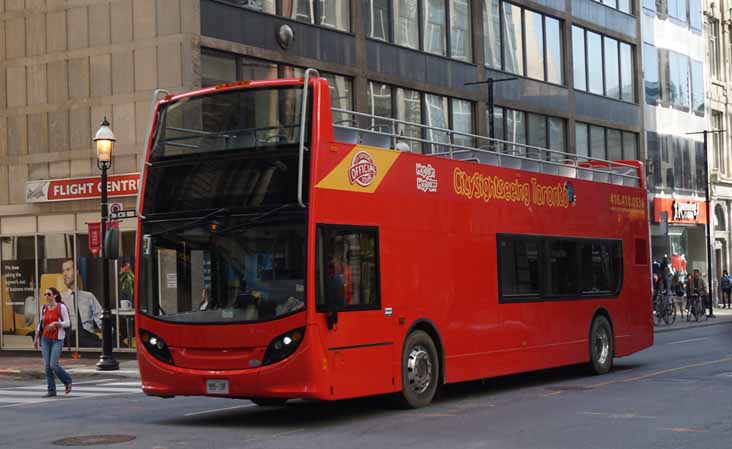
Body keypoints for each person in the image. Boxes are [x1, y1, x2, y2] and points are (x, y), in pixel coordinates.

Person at [33, 287, 72, 397]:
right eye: (45, 294)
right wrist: (36, 339)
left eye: (49, 294)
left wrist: (56, 324)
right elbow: (40, 325)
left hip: (57, 339)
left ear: (55, 295)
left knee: (53, 365)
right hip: (45, 339)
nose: (46, 296)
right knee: (47, 366)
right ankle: (51, 390)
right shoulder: (43, 308)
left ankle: (67, 380)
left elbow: (67, 323)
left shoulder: (61, 307)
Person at [60, 259, 103, 347]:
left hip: (89, 338)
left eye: (68, 270)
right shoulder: (60, 298)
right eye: (63, 271)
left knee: (113, 343)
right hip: (70, 338)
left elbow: (101, 319)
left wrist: (112, 334)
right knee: (76, 335)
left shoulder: (88, 296)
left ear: (76, 272)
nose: (64, 274)